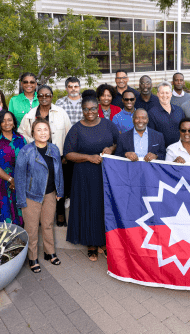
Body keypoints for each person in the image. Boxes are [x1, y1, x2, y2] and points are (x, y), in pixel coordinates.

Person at [64, 98, 119, 262]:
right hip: (84, 174)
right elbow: (68, 153)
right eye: (86, 109)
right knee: (88, 208)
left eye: (93, 108)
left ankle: (103, 242)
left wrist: (111, 148)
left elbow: (118, 142)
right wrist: (88, 157)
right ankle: (91, 245)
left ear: (98, 108)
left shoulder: (108, 125)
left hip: (106, 174)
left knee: (104, 207)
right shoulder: (76, 129)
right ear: (82, 110)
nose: (90, 112)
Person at [15, 119, 64, 273]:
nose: (43, 133)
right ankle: (32, 257)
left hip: (50, 194)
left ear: (49, 132)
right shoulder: (26, 151)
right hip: (32, 196)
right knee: (31, 228)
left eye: (45, 130)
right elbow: (20, 177)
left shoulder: (54, 149)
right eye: (39, 130)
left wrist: (59, 191)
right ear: (33, 133)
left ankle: (49, 253)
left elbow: (59, 171)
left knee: (48, 225)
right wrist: (21, 199)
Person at [0, 111, 27, 225]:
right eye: (3, 120)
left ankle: (17, 240)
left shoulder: (21, 139)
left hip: (19, 182)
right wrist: (10, 180)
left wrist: (18, 180)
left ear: (14, 122)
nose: (6, 123)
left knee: (18, 214)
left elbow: (27, 160)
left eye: (9, 120)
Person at [52, 77, 83, 228]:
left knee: (78, 177)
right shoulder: (60, 103)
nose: (73, 89)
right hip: (65, 146)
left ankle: (73, 199)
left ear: (79, 87)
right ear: (66, 88)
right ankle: (62, 208)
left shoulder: (86, 102)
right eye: (70, 86)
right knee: (63, 177)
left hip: (83, 147)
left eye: (76, 86)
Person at [18, 85, 72, 154]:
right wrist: (33, 141)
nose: (44, 97)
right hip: (36, 155)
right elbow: (21, 134)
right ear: (37, 97)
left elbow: (69, 135)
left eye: (47, 95)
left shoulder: (61, 113)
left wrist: (66, 154)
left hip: (58, 155)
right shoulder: (29, 115)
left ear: (51, 96)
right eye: (41, 95)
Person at [147, 83, 186, 148]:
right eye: (162, 93)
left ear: (171, 94)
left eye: (167, 93)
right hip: (162, 152)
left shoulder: (179, 110)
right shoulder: (151, 113)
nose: (165, 95)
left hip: (179, 150)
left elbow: (184, 130)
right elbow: (151, 136)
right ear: (158, 94)